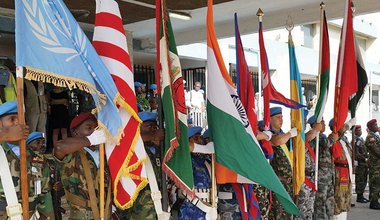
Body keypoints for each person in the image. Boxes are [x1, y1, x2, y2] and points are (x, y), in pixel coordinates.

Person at [54, 112, 111, 219]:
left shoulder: (104, 152)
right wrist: (90, 140)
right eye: (89, 128)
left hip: (105, 212)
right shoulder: (72, 153)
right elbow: (59, 147)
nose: (94, 132)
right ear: (75, 132)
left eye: (97, 129)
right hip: (82, 215)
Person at [0, 101, 51, 219]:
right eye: (12, 119)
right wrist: (4, 135)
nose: (18, 123)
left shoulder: (38, 159)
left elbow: (45, 198)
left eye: (22, 119)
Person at [115, 111, 165, 219]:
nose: (153, 129)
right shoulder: (132, 150)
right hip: (139, 209)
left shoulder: (157, 148)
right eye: (149, 126)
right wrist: (153, 136)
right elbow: (128, 141)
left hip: (159, 204)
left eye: (154, 126)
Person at [268, 107, 297, 220]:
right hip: (278, 184)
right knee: (278, 214)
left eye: (282, 117)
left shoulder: (284, 134)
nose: (281, 120)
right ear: (269, 120)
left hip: (288, 183)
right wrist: (290, 134)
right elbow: (277, 141)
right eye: (278, 117)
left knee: (288, 215)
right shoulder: (269, 134)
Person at [295, 115, 322, 220]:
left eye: (306, 120)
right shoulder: (296, 135)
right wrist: (315, 130)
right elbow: (306, 138)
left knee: (309, 211)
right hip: (303, 178)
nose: (305, 122)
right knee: (301, 211)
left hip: (311, 178)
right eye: (303, 119)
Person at [329, 118, 356, 219]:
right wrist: (349, 124)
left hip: (346, 172)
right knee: (339, 199)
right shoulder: (333, 138)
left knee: (345, 198)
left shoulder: (344, 140)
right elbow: (339, 132)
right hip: (340, 173)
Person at [314, 119, 339, 220]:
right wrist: (333, 138)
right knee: (321, 202)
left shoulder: (323, 137)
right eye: (322, 123)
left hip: (328, 175)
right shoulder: (316, 137)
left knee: (329, 201)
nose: (324, 125)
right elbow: (326, 143)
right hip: (321, 177)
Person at [26, 132, 55, 219]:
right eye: (37, 142)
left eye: (43, 142)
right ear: (29, 145)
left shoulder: (47, 162)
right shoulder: (25, 160)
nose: (42, 145)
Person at [364, 119, 380, 210]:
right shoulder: (370, 137)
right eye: (375, 125)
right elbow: (375, 150)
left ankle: (375, 200)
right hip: (375, 164)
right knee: (375, 182)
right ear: (370, 127)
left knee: (377, 182)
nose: (377, 126)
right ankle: (374, 202)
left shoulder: (375, 136)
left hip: (377, 163)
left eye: (377, 124)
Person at [354, 125, 370, 203]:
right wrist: (364, 158)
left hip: (364, 164)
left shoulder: (361, 139)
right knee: (360, 180)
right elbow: (356, 153)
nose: (360, 131)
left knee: (364, 180)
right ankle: (359, 197)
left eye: (360, 130)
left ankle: (361, 196)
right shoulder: (356, 140)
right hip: (360, 164)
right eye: (358, 130)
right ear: (355, 131)